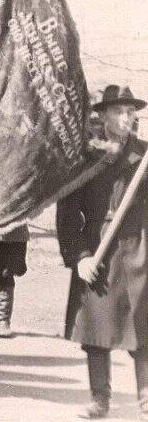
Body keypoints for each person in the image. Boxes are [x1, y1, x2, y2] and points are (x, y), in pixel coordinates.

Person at [56, 85, 148, 421]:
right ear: (104, 116)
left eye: (130, 112)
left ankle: (145, 401)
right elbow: (67, 216)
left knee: (144, 325)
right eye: (118, 112)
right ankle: (100, 399)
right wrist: (79, 257)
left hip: (139, 247)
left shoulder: (144, 154)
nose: (125, 118)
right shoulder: (86, 158)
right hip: (98, 251)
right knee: (98, 327)